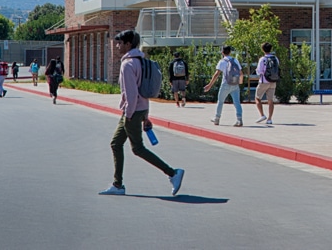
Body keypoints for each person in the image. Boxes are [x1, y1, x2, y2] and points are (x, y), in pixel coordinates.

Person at [99, 29, 184, 197]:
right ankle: (118, 184)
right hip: (140, 109)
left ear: (128, 44)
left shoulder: (127, 65)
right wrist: (145, 116)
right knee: (116, 144)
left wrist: (129, 115)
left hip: (131, 111)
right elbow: (144, 90)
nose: (117, 46)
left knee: (137, 148)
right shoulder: (142, 61)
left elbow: (131, 94)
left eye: (120, 43)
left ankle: (173, 173)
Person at [204, 45, 243, 127]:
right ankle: (239, 119)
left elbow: (216, 74)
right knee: (237, 102)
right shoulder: (235, 60)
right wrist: (240, 82)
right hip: (235, 84)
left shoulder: (222, 61)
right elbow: (241, 73)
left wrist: (210, 85)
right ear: (230, 52)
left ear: (222, 52)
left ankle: (217, 119)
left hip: (225, 83)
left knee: (220, 101)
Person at [255, 43, 279, 125]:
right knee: (270, 100)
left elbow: (259, 71)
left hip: (263, 81)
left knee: (257, 98)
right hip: (273, 81)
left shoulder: (262, 59)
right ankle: (269, 118)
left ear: (263, 49)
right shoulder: (275, 58)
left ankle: (262, 115)